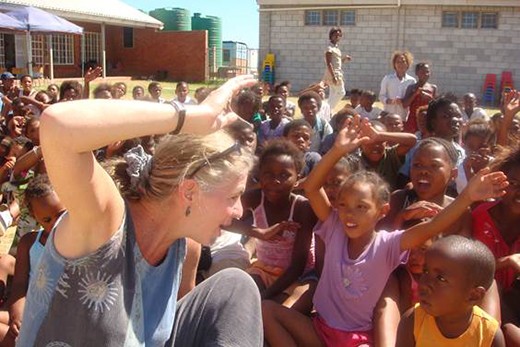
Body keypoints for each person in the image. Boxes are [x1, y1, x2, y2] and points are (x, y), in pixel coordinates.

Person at [17, 75, 264, 346]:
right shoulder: (105, 220)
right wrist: (189, 116)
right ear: (189, 191)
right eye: (233, 196)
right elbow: (56, 125)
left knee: (236, 286)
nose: (239, 211)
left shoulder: (185, 246)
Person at [262, 115, 508, 347]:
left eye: (361, 207)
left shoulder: (389, 244)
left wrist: (467, 197)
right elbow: (313, 187)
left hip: (357, 339)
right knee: (267, 310)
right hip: (319, 328)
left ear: (382, 211)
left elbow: (434, 226)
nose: (350, 213)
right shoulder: (334, 226)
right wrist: (338, 149)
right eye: (344, 205)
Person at [239, 140, 317, 302]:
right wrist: (258, 233)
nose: (275, 181)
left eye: (284, 175)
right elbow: (224, 220)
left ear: (297, 179)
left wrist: (266, 296)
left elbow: (298, 264)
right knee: (242, 296)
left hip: (296, 275)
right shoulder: (254, 199)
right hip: (263, 269)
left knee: (273, 306)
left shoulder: (302, 208)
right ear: (259, 175)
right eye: (268, 174)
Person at [396, 235, 506, 347]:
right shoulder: (412, 321)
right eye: (426, 271)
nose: (425, 284)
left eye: (441, 279)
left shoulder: (489, 335)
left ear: (474, 295)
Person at [2, 174, 66, 346]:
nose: (55, 223)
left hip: (60, 322)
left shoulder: (79, 245)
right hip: (30, 311)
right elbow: (20, 286)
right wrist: (18, 318)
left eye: (61, 214)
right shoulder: (29, 243)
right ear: (34, 217)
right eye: (46, 220)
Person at [379, 51, 416, 119]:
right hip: (388, 116)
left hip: (403, 117)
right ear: (394, 64)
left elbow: (412, 99)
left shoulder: (412, 81)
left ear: (407, 64)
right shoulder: (387, 79)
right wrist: (389, 101)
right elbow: (381, 96)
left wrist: (403, 101)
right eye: (398, 62)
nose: (400, 64)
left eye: (403, 61)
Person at [402, 63, 437, 133]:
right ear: (417, 73)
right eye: (422, 72)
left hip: (426, 120)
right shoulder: (411, 87)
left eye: (427, 72)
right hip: (413, 120)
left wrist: (429, 98)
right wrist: (415, 93)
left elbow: (436, 106)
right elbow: (405, 105)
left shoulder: (432, 88)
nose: (426, 74)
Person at [323, 27, 351, 110]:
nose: (337, 37)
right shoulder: (329, 48)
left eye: (339, 35)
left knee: (333, 94)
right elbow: (329, 63)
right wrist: (333, 76)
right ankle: (327, 110)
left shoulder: (336, 48)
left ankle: (327, 110)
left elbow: (337, 63)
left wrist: (344, 59)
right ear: (331, 36)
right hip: (334, 73)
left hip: (337, 72)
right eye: (335, 35)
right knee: (341, 92)